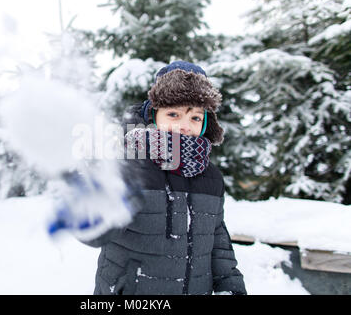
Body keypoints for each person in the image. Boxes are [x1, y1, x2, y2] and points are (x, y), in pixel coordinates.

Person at [81, 60, 247, 295]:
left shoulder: (211, 177)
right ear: (153, 114)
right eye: (173, 114)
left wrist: (231, 287)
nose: (184, 126)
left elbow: (218, 241)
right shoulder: (128, 164)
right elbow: (97, 230)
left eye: (195, 117)